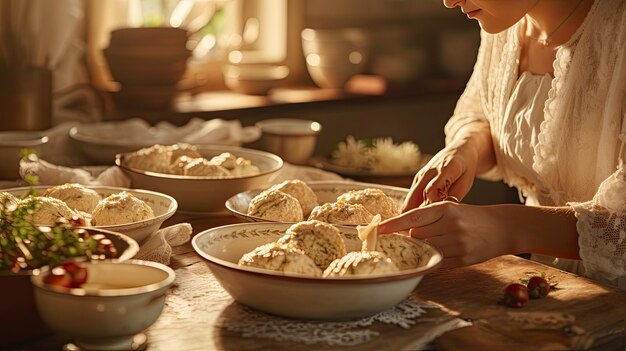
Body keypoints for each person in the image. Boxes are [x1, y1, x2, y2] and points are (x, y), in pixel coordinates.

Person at [378, 0, 626, 288]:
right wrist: (467, 148)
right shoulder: (507, 24)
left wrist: (506, 227)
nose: (449, 1)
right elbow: (484, 113)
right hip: (550, 284)